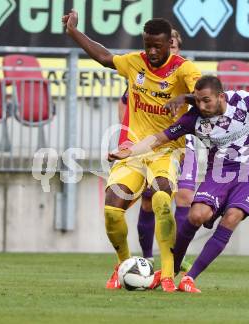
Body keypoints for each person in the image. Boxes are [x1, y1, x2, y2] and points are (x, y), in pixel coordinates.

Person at [108, 75, 249, 293]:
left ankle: (190, 278)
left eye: (207, 101)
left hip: (248, 175)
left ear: (221, 97)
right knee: (196, 216)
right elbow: (157, 139)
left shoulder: (245, 101)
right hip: (218, 174)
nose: (202, 106)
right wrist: (128, 152)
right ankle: (172, 269)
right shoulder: (192, 119)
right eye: (197, 101)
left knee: (232, 217)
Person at [62, 10, 201, 292]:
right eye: (147, 44)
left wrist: (184, 96)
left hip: (166, 151)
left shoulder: (183, 69)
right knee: (112, 209)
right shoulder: (134, 63)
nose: (151, 51)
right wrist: (74, 32)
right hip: (133, 152)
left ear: (168, 44)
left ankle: (167, 274)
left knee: (162, 197)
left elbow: (205, 93)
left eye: (157, 46)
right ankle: (124, 265)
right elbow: (103, 56)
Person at [118, 30, 195, 270]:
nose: (168, 51)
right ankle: (148, 258)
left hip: (182, 144)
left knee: (184, 198)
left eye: (173, 46)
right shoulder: (144, 74)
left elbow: (205, 100)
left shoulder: (185, 74)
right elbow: (125, 104)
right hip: (150, 146)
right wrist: (127, 139)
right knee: (150, 201)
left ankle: (175, 259)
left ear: (177, 48)